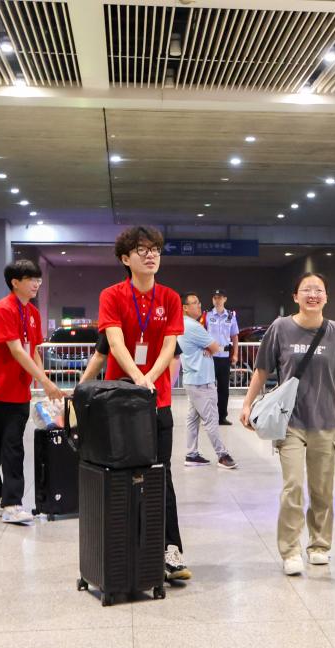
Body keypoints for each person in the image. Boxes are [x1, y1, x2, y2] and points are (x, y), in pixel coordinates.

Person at [239, 273, 335, 576]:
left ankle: (319, 545)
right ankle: (290, 550)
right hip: (290, 422)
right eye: (306, 290)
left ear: (326, 297)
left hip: (325, 422)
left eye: (318, 290)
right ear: (295, 296)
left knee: (322, 490)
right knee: (293, 486)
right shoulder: (280, 328)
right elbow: (262, 369)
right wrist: (247, 403)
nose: (312, 295)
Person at [97, 226, 190, 581]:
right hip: (119, 402)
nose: (151, 255)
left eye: (155, 250)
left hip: (158, 400)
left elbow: (169, 346)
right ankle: (121, 551)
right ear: (125, 258)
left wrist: (150, 378)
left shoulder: (170, 298)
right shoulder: (111, 295)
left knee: (160, 474)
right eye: (141, 250)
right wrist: (138, 378)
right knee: (120, 475)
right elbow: (115, 344)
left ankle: (170, 549)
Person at [0, 260, 65, 525]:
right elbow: (16, 350)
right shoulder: (4, 309)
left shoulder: (33, 313)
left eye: (38, 279)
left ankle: (12, 503)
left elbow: (33, 351)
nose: (37, 284)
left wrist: (43, 381)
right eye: (31, 279)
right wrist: (45, 382)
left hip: (17, 394)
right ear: (15, 282)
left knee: (13, 447)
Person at [179, 292, 237, 469]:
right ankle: (222, 455)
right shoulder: (194, 326)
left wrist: (210, 347)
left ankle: (191, 454)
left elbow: (212, 346)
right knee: (211, 418)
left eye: (198, 302)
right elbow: (215, 347)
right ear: (185, 308)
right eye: (195, 303)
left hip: (192, 378)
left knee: (193, 418)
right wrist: (212, 347)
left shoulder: (182, 324)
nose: (199, 305)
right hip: (201, 380)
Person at [205, 289, 239, 425]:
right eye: (215, 298)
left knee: (224, 388)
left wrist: (235, 354)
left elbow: (234, 336)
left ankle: (222, 416)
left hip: (224, 357)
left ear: (225, 299)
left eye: (220, 298)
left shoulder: (230, 316)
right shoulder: (207, 315)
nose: (217, 300)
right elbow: (202, 333)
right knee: (209, 388)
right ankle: (209, 416)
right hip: (210, 357)